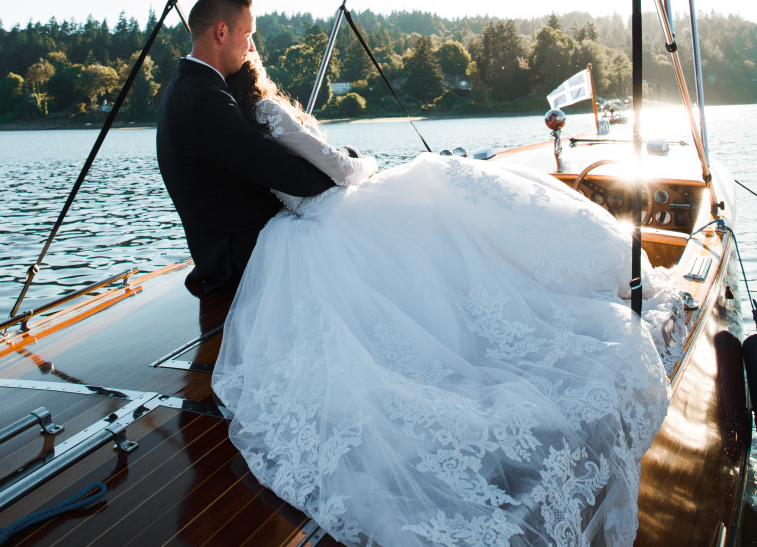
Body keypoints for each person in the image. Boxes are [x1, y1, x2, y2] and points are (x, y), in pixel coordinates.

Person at [213, 58, 685, 547]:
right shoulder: (269, 111)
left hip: (300, 230)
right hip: (339, 209)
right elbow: (337, 168)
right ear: (254, 75)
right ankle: (595, 268)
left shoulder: (239, 130)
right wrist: (368, 164)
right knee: (440, 183)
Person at [156, 0, 342, 295]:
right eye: (248, 34)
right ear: (222, 31)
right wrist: (340, 165)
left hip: (226, 248)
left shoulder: (185, 88)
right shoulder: (205, 101)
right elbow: (295, 178)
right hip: (242, 260)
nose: (252, 47)